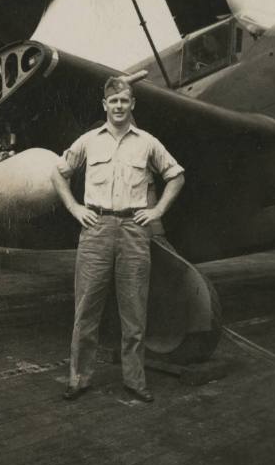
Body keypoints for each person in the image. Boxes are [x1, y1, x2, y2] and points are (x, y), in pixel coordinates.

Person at [51, 75, 185, 402]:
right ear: (105, 105)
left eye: (124, 100)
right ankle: (79, 378)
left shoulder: (147, 142)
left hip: (134, 231)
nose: (119, 106)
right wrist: (74, 208)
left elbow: (176, 175)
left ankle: (135, 381)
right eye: (113, 101)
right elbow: (58, 172)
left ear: (132, 104)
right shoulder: (88, 141)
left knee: (135, 310)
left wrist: (156, 213)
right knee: (86, 309)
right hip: (95, 228)